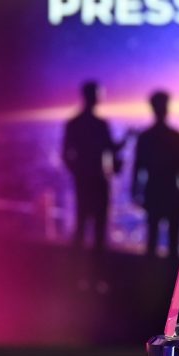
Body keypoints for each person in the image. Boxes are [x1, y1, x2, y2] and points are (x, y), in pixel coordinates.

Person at [62, 81, 120, 254]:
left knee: (81, 221)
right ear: (96, 96)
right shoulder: (101, 124)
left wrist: (78, 171)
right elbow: (111, 148)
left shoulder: (74, 123)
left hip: (83, 179)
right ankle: (97, 264)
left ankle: (77, 264)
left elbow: (66, 154)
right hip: (100, 180)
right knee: (100, 225)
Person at [131, 90, 179, 258]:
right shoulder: (176, 137)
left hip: (153, 191)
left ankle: (150, 272)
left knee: (152, 240)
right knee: (173, 244)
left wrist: (136, 191)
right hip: (172, 192)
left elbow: (138, 167)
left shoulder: (145, 137)